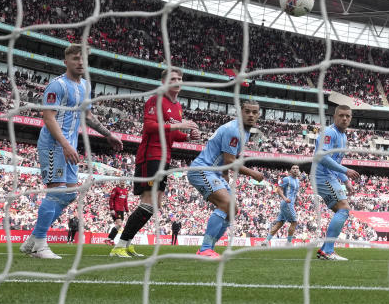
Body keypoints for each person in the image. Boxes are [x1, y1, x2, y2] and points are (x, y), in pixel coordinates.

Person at [20, 44, 124, 259]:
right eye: (76, 58)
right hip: (54, 144)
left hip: (70, 146)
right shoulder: (56, 85)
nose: (81, 62)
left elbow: (87, 115)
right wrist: (66, 145)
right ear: (66, 61)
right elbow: (48, 117)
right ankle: (39, 245)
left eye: (83, 59)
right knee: (57, 192)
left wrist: (107, 134)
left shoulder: (85, 85)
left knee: (69, 194)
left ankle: (33, 238)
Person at [111, 67, 199, 258]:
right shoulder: (156, 100)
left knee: (155, 204)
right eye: (173, 78)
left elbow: (173, 134)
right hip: (151, 155)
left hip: (164, 158)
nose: (177, 81)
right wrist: (179, 125)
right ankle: (119, 245)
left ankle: (127, 243)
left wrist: (188, 137)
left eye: (180, 78)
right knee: (149, 202)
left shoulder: (177, 106)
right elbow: (150, 126)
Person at [187, 100, 266, 259]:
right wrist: (253, 174)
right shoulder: (234, 131)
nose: (251, 115)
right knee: (227, 204)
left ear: (259, 115)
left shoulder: (244, 132)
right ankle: (205, 249)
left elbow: (225, 159)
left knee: (232, 210)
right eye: (247, 111)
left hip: (215, 173)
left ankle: (209, 248)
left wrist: (224, 176)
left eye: (254, 112)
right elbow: (230, 161)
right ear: (240, 112)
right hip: (203, 169)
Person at [314, 105, 360, 261]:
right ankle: (328, 250)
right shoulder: (329, 132)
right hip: (322, 176)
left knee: (342, 210)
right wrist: (346, 171)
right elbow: (322, 157)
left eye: (348, 116)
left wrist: (346, 181)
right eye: (341, 115)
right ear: (334, 117)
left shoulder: (343, 136)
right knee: (344, 209)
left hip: (329, 177)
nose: (345, 118)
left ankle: (325, 250)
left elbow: (334, 161)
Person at [263, 165, 302, 246]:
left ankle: (266, 241)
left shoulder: (297, 180)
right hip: (287, 203)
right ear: (290, 170)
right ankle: (289, 243)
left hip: (289, 203)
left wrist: (298, 199)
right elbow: (279, 189)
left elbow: (294, 193)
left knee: (279, 224)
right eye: (293, 168)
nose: (295, 170)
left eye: (297, 168)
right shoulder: (286, 179)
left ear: (298, 170)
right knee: (294, 222)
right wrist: (285, 198)